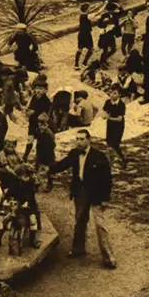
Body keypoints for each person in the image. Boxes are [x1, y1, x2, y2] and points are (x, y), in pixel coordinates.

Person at [49, 130, 117, 268]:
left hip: (96, 194)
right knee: (80, 220)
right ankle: (78, 249)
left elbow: (107, 179)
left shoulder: (99, 156)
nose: (79, 142)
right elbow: (63, 164)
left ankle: (108, 256)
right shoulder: (75, 153)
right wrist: (48, 169)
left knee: (100, 225)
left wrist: (105, 198)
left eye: (82, 139)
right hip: (80, 191)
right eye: (77, 139)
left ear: (89, 140)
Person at [103, 89, 128, 166]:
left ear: (119, 95)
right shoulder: (108, 102)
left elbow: (119, 119)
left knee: (115, 144)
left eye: (114, 93)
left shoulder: (121, 105)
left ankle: (122, 158)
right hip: (110, 125)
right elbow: (105, 111)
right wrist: (105, 115)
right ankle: (110, 160)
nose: (112, 95)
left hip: (118, 126)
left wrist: (109, 118)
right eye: (111, 92)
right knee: (109, 143)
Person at [74, 3, 95, 69]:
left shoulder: (81, 15)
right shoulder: (88, 16)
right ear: (86, 9)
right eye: (89, 8)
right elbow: (98, 13)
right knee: (91, 49)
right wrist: (105, 4)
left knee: (80, 49)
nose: (90, 9)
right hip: (87, 34)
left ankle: (76, 65)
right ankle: (84, 63)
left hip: (81, 34)